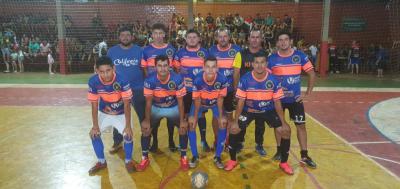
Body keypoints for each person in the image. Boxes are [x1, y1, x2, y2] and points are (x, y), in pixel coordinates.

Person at [224, 52, 293, 175]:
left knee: (285, 131)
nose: (259, 65)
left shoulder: (274, 80)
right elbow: (241, 102)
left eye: (262, 62)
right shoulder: (245, 79)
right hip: (249, 110)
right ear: (252, 64)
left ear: (266, 64)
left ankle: (284, 163)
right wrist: (235, 121)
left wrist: (284, 122)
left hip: (268, 110)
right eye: (257, 62)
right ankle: (233, 160)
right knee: (233, 129)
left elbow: (277, 103)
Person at [268, 31, 317, 169]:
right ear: (277, 42)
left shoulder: (299, 56)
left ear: (290, 42)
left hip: (296, 100)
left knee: (301, 126)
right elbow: (267, 78)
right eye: (280, 40)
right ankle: (279, 151)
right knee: (279, 127)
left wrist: (307, 93)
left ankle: (304, 155)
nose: (283, 42)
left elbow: (312, 73)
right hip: (278, 100)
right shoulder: (272, 58)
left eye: (286, 39)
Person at [137, 55, 189, 171]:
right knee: (145, 130)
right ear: (155, 67)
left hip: (173, 107)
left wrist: (182, 121)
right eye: (159, 66)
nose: (163, 69)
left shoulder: (177, 79)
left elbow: (181, 102)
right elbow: (148, 103)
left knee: (184, 128)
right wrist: (146, 120)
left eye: (165, 65)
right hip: (156, 108)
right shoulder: (149, 80)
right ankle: (144, 158)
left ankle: (184, 157)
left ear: (169, 66)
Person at [87, 56, 136, 174]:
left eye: (108, 71)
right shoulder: (93, 81)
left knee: (128, 135)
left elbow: (127, 104)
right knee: (94, 135)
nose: (106, 75)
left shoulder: (122, 80)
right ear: (97, 71)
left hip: (121, 113)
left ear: (113, 68)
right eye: (102, 72)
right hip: (104, 113)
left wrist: (128, 126)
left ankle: (128, 161)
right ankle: (101, 162)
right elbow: (94, 105)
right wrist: (95, 126)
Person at [107, 27, 145, 154]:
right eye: (122, 35)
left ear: (132, 37)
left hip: (138, 88)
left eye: (127, 35)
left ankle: (146, 141)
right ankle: (117, 142)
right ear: (119, 37)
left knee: (143, 116)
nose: (125, 37)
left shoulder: (139, 50)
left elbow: (144, 68)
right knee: (118, 116)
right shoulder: (112, 51)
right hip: (118, 91)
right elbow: (107, 69)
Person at [141, 23, 177, 152]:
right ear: (152, 35)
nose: (158, 36)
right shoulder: (146, 50)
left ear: (164, 34)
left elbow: (175, 68)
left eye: (160, 33)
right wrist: (149, 82)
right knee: (154, 119)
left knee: (171, 118)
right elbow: (144, 68)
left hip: (169, 89)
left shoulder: (171, 49)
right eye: (155, 33)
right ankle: (155, 142)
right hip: (153, 90)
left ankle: (171, 141)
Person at [173, 29, 210, 152]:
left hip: (201, 91)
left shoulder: (205, 53)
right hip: (186, 91)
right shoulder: (180, 53)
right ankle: (187, 142)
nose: (192, 39)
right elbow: (177, 70)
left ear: (199, 39)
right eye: (189, 37)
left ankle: (204, 140)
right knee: (186, 116)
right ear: (186, 39)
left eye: (195, 37)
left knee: (201, 115)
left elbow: (209, 70)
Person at [187, 57, 228, 169]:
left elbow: (220, 99)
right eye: (208, 67)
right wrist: (195, 117)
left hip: (215, 103)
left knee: (223, 122)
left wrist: (220, 117)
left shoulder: (223, 79)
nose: (210, 70)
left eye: (213, 67)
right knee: (191, 123)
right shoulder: (197, 79)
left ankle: (218, 156)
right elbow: (197, 100)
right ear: (203, 68)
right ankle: (195, 156)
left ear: (217, 68)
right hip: (200, 104)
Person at [232, 29, 267, 156]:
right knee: (242, 121)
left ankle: (259, 144)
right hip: (244, 96)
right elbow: (236, 73)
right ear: (248, 39)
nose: (255, 39)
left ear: (261, 39)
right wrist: (236, 91)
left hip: (261, 95)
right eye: (252, 37)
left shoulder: (265, 54)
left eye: (257, 37)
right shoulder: (240, 54)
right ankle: (240, 142)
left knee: (260, 122)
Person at [208, 27, 242, 150]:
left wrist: (236, 91)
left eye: (225, 36)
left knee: (229, 117)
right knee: (216, 116)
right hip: (215, 91)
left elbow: (238, 72)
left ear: (229, 37)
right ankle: (217, 140)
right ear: (216, 38)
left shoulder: (237, 50)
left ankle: (228, 140)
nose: (222, 39)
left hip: (230, 91)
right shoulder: (211, 50)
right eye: (220, 36)